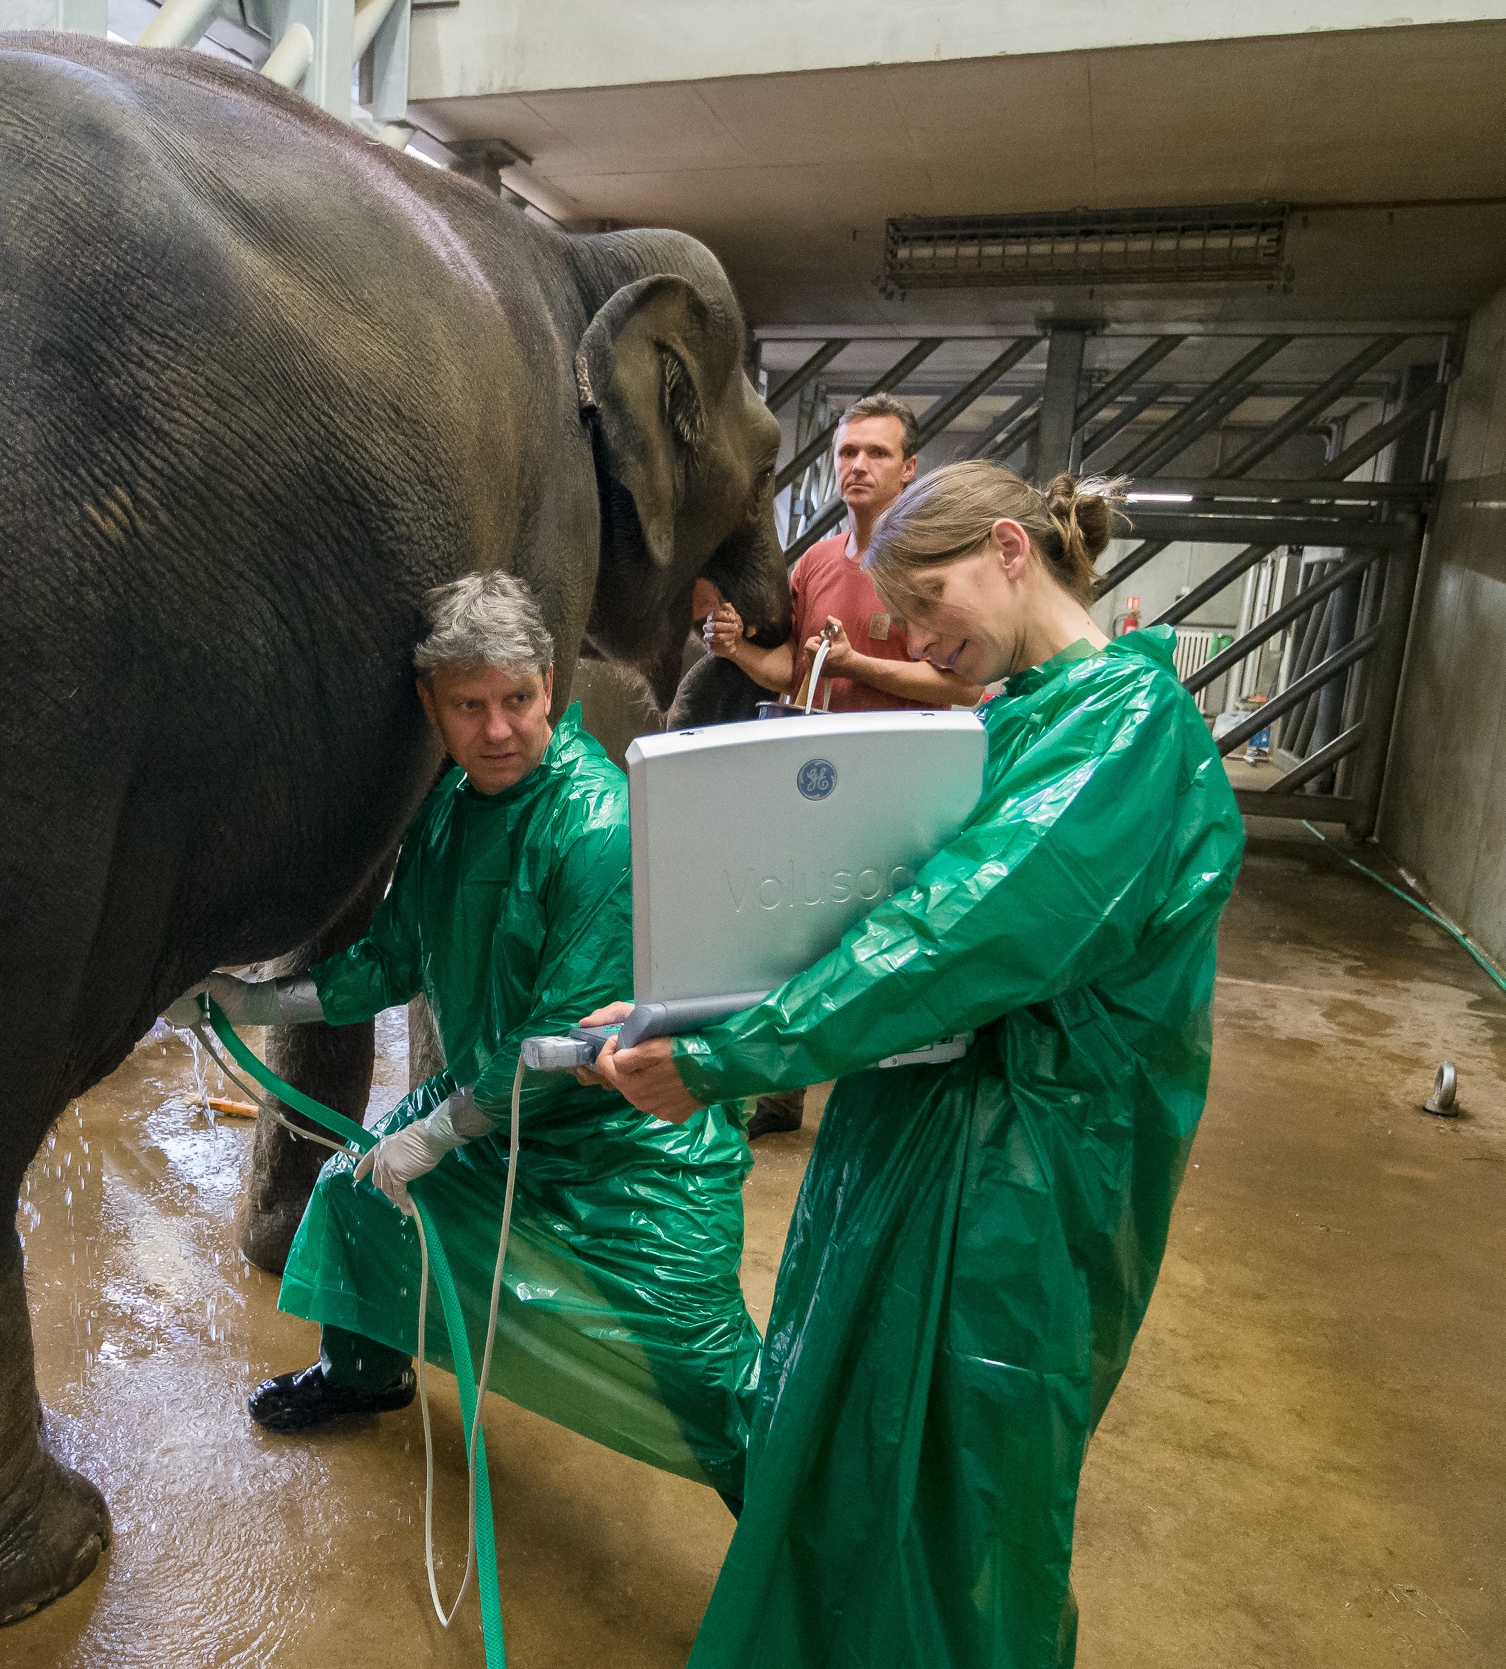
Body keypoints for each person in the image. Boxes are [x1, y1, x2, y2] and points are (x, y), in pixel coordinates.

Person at [582, 464, 1246, 1666]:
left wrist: (736, 1049)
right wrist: (693, 997)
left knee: (967, 1482)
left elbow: (954, 937)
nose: (917, 635)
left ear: (1008, 547)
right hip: (926, 1138)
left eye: (928, 597)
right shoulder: (1019, 719)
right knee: (855, 1441)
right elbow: (860, 907)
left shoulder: (1129, 729)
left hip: (1023, 1177)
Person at [183, 572, 759, 1503]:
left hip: (620, 1143)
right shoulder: (450, 810)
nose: (497, 731)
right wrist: (254, 1001)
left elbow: (555, 1038)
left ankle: (801, 1540)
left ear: (553, 686)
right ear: (432, 707)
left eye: (518, 700)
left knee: (704, 1368)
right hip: (493, 1121)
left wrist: (439, 1129)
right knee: (354, 1197)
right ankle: (365, 1375)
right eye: (469, 706)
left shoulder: (598, 825)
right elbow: (391, 956)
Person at [705, 391, 982, 1140]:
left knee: (884, 936)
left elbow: (963, 685)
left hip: (896, 790)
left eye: (876, 453)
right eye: (847, 454)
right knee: (790, 929)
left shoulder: (928, 571)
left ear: (910, 468)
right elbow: (788, 668)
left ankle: (884, 1094)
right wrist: (735, 648)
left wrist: (862, 663)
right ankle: (778, 1094)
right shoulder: (818, 562)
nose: (857, 466)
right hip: (812, 782)